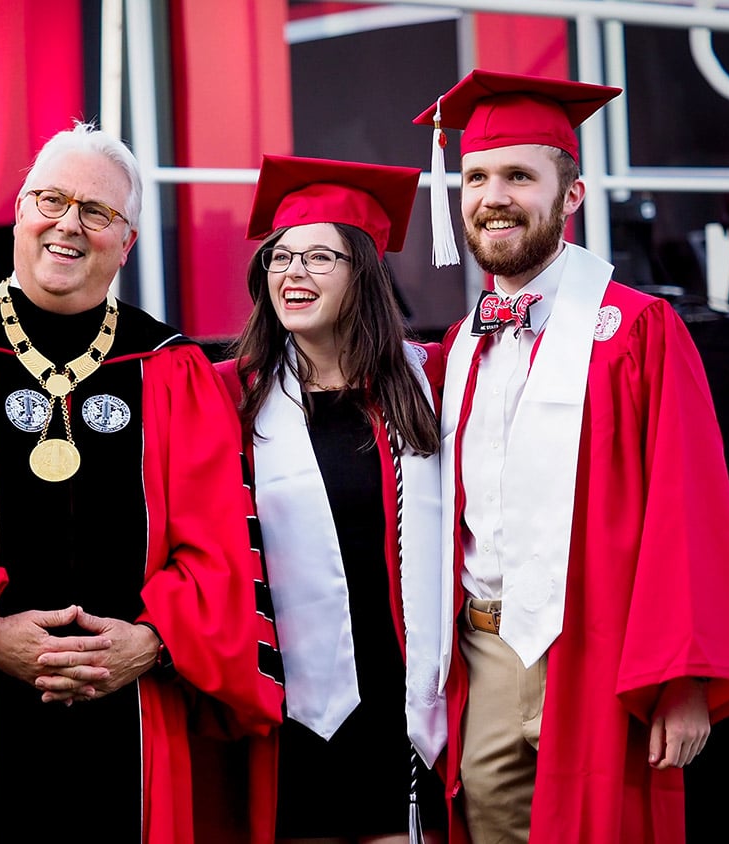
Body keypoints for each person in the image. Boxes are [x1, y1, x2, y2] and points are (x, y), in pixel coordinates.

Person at [0, 120, 283, 843]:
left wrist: (153, 640)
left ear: (126, 242)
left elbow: (218, 548)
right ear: (19, 213)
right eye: (51, 200)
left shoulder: (172, 368)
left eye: (96, 213)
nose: (69, 225)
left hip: (135, 705)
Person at [411, 70, 729, 843]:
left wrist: (683, 680)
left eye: (519, 175)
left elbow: (688, 510)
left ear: (570, 196)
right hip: (484, 652)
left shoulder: (638, 332)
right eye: (476, 176)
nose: (493, 196)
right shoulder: (461, 345)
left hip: (604, 655)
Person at [214, 153, 449, 844]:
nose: (292, 271)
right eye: (280, 257)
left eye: (319, 256)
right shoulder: (229, 395)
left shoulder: (431, 382)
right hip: (294, 709)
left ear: (364, 274)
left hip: (407, 707)